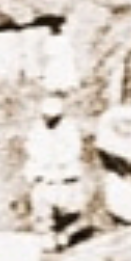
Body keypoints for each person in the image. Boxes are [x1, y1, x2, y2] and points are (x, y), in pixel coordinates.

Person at [24, 95, 86, 250]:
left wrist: (61, 164)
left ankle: (63, 234)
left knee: (68, 207)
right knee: (42, 209)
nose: (50, 120)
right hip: (44, 175)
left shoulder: (69, 129)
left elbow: (73, 150)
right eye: (46, 116)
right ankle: (46, 238)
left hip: (64, 175)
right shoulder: (37, 129)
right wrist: (40, 168)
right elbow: (32, 149)